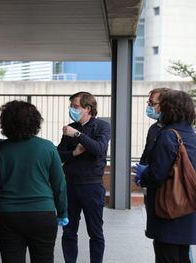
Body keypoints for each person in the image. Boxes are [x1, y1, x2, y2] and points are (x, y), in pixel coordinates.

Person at [0, 100, 68, 263]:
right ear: (35, 121)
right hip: (42, 215)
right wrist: (62, 212)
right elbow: (59, 185)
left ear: (5, 123)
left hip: (7, 216)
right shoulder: (48, 147)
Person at [135, 90, 196, 263]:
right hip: (187, 206)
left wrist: (142, 177)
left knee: (166, 256)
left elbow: (157, 174)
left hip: (169, 209)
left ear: (169, 108)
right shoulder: (189, 133)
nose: (156, 109)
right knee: (182, 256)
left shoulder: (168, 135)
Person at [57, 91, 111, 263]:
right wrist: (74, 153)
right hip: (70, 185)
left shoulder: (102, 127)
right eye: (71, 106)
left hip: (92, 186)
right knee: (69, 231)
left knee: (95, 232)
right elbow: (59, 155)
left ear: (88, 108)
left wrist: (78, 135)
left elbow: (99, 149)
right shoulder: (70, 127)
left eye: (75, 106)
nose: (71, 109)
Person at [139, 87, 170, 165]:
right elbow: (146, 153)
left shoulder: (175, 130)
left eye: (152, 103)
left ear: (165, 105)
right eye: (148, 103)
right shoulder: (154, 128)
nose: (149, 107)